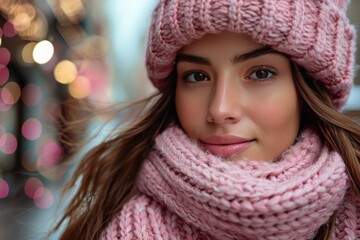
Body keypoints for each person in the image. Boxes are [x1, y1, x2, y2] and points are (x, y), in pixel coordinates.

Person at [52, 0, 360, 239]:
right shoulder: (123, 222)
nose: (219, 108)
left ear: (308, 87)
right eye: (197, 76)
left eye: (260, 73)